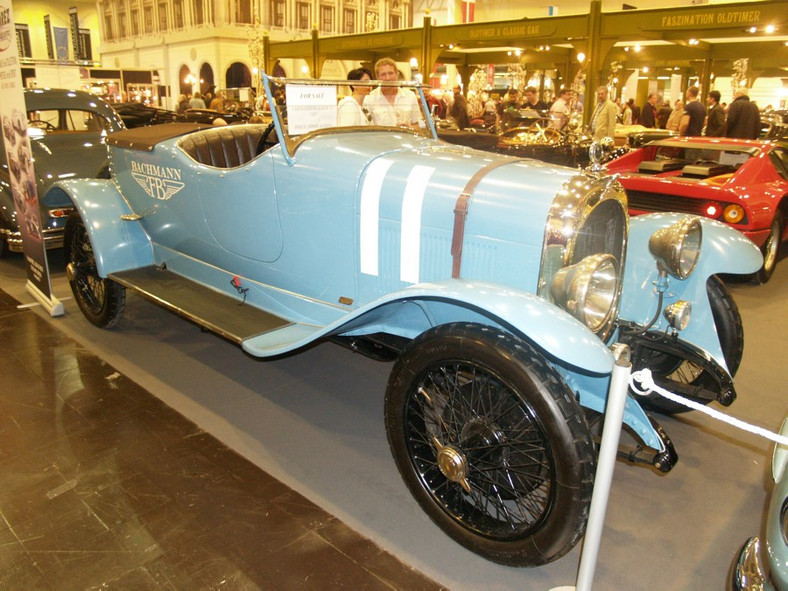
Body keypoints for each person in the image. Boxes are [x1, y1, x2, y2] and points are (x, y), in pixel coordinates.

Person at [364, 57, 420, 127]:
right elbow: (367, 127)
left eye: (390, 73)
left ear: (397, 74)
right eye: (383, 74)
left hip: (405, 137)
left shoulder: (410, 96)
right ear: (378, 78)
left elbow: (418, 124)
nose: (388, 78)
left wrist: (409, 128)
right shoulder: (369, 99)